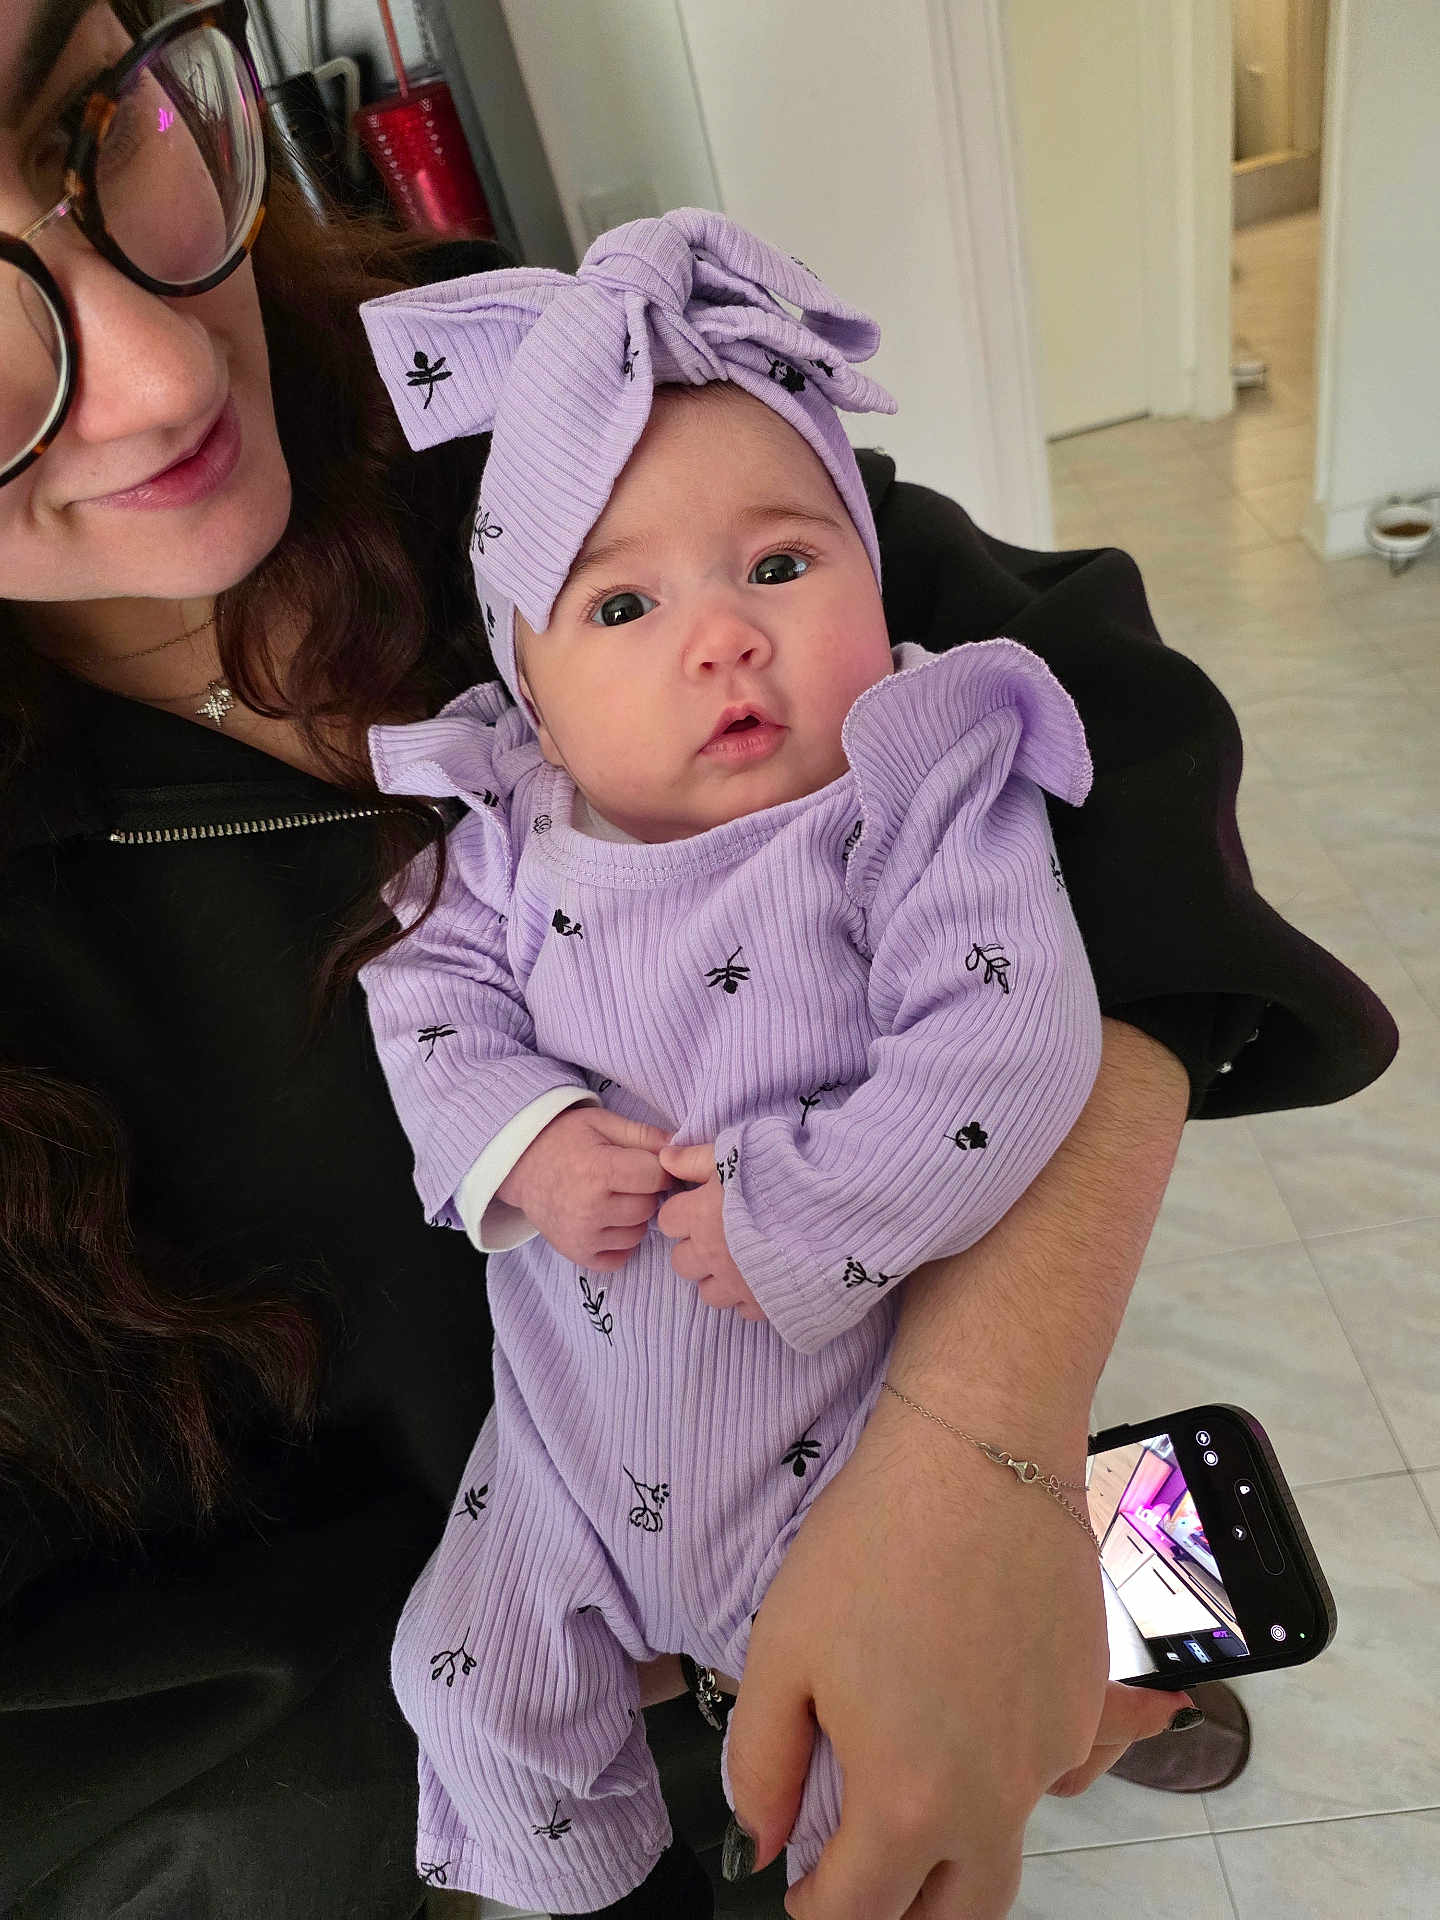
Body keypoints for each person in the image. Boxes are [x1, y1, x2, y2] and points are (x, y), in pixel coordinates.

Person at [0, 6, 1397, 1920]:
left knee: (1077, 1651)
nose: (157, 376)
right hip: (546, 1715)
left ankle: (1113, 1672)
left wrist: (975, 1451)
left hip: (858, 1394)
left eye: (94, 122)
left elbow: (1102, 741)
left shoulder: (525, 381)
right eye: (625, 606)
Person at [355, 208, 1112, 1917]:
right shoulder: (502, 831)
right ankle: (582, 1895)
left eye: (782, 566)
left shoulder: (916, 783)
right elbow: (426, 1010)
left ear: (868, 566)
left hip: (839, 1446)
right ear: (531, 693)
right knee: (462, 1686)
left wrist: (800, 1208)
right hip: (562, 1443)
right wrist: (522, 1141)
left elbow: (1010, 1039)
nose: (724, 639)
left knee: (871, 1790)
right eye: (621, 603)